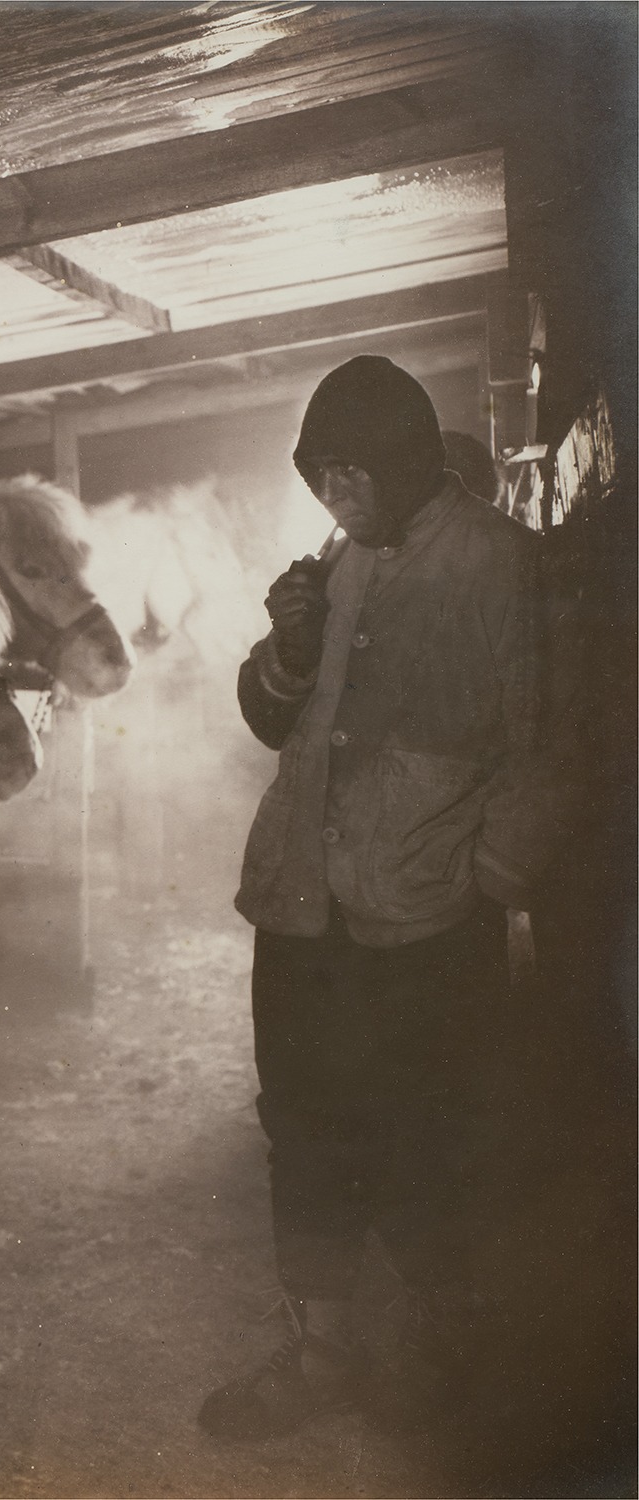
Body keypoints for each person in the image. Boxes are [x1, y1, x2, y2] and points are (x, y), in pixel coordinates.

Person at [202, 355, 558, 1440]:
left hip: (425, 922)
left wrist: (488, 883)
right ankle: (320, 1348)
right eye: (320, 476)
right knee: (304, 1126)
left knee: (427, 1133)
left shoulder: (504, 564)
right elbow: (270, 718)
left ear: (408, 461)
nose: (335, 496)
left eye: (352, 474)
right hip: (301, 908)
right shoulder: (332, 558)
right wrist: (288, 649)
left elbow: (552, 748)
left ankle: (450, 1346)